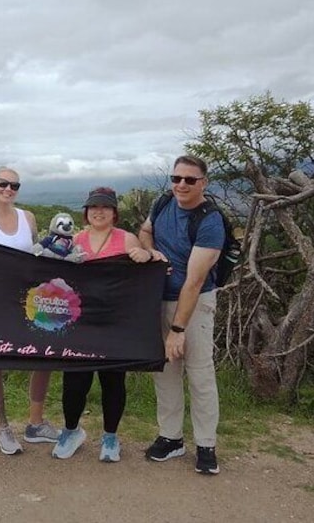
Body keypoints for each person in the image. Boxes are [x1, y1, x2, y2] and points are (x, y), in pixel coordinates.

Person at [51, 186, 161, 462]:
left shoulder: (126, 239)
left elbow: (144, 267)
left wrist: (144, 256)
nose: (99, 211)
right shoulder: (74, 240)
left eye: (105, 207)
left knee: (113, 381)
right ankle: (71, 431)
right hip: (80, 323)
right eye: (93, 207)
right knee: (75, 381)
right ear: (86, 212)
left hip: (115, 322)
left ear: (114, 213)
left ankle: (111, 437)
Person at [138, 154, 225, 475]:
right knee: (166, 371)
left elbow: (195, 280)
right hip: (159, 299)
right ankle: (171, 437)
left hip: (196, 302)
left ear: (204, 182)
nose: (181, 185)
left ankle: (206, 444)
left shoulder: (210, 221)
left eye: (190, 180)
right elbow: (145, 231)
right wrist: (151, 250)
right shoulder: (163, 204)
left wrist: (178, 329)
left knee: (200, 372)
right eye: (176, 178)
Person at [0, 166, 61, 455]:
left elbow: (35, 254)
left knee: (43, 357)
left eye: (14, 185)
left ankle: (35, 423)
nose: (8, 189)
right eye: (3, 183)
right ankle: (2, 428)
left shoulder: (28, 218)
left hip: (31, 300)